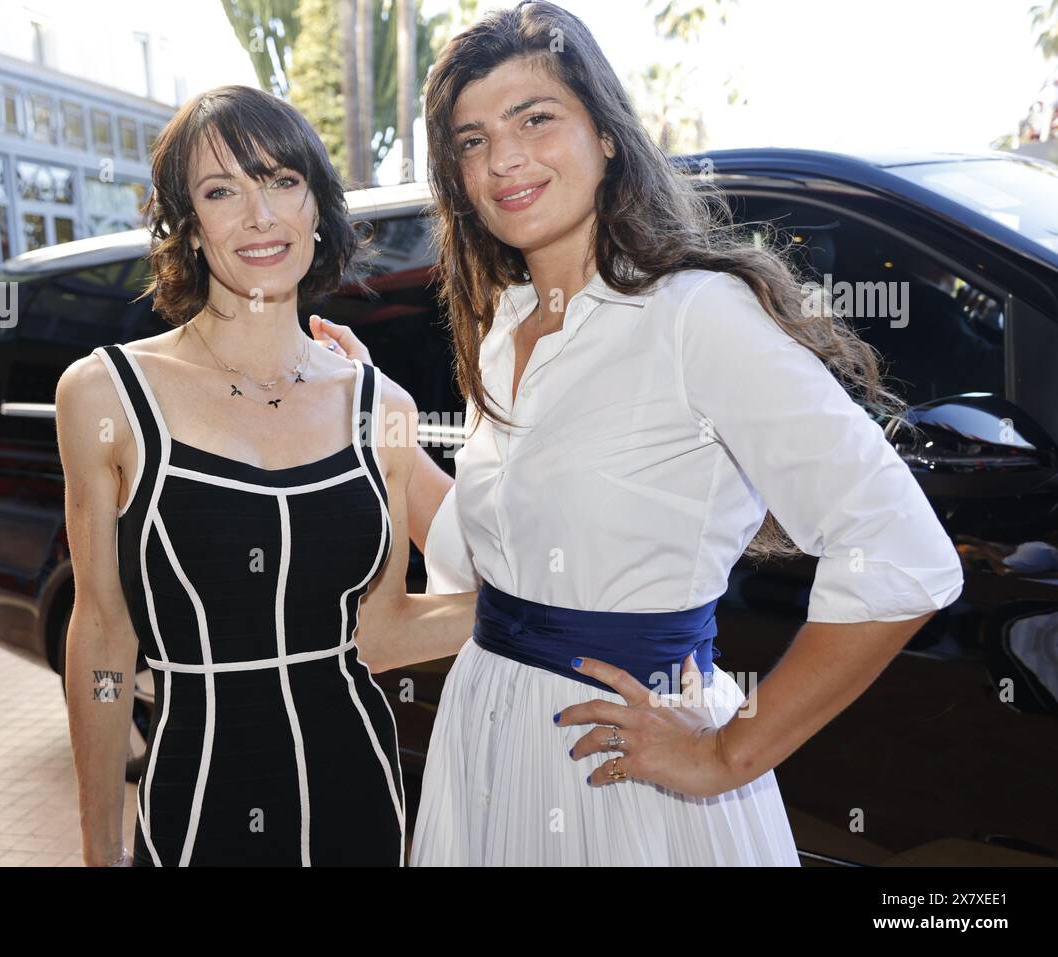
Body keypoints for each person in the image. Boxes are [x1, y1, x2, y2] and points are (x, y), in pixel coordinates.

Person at [314, 1, 965, 865]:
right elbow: (485, 561)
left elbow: (902, 553)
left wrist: (727, 751)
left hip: (624, 769)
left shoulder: (696, 315)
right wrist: (383, 415)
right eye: (470, 141)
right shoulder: (505, 325)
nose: (502, 157)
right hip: (486, 739)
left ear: (608, 136)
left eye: (534, 119)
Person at [56, 85, 475, 867]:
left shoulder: (380, 403)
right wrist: (99, 843)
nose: (260, 215)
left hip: (362, 807)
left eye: (283, 181)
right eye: (222, 191)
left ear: (317, 207)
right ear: (185, 224)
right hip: (197, 810)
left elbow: (378, 633)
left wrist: (533, 609)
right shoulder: (104, 393)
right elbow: (104, 638)